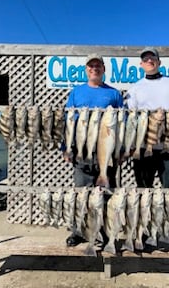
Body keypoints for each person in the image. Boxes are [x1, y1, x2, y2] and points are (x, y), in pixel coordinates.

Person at [126, 47, 169, 251]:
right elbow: (130, 119)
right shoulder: (135, 88)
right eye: (145, 59)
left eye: (152, 58)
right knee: (143, 193)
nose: (149, 61)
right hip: (144, 148)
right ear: (141, 64)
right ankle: (145, 236)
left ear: (159, 62)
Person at [63, 53, 123, 246]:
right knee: (81, 194)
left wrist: (121, 150)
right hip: (82, 152)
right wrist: (65, 147)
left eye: (98, 66)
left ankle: (107, 233)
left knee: (106, 195)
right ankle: (79, 231)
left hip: (106, 152)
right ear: (86, 69)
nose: (94, 69)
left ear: (104, 69)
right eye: (91, 66)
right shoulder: (76, 93)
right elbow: (67, 122)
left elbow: (124, 124)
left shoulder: (114, 94)